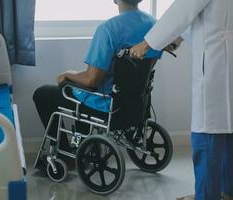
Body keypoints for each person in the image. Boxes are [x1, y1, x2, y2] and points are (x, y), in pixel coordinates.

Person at [130, 0, 233, 200]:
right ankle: (227, 192)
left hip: (215, 58)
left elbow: (183, 8)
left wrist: (147, 43)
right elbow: (207, 13)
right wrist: (179, 37)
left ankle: (206, 195)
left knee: (207, 131)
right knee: (230, 128)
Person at [33, 0, 163, 170]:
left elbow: (91, 79)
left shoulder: (109, 29)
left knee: (45, 93)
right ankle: (85, 144)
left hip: (108, 105)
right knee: (79, 88)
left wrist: (66, 74)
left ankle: (65, 154)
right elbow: (147, 68)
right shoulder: (154, 25)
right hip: (136, 102)